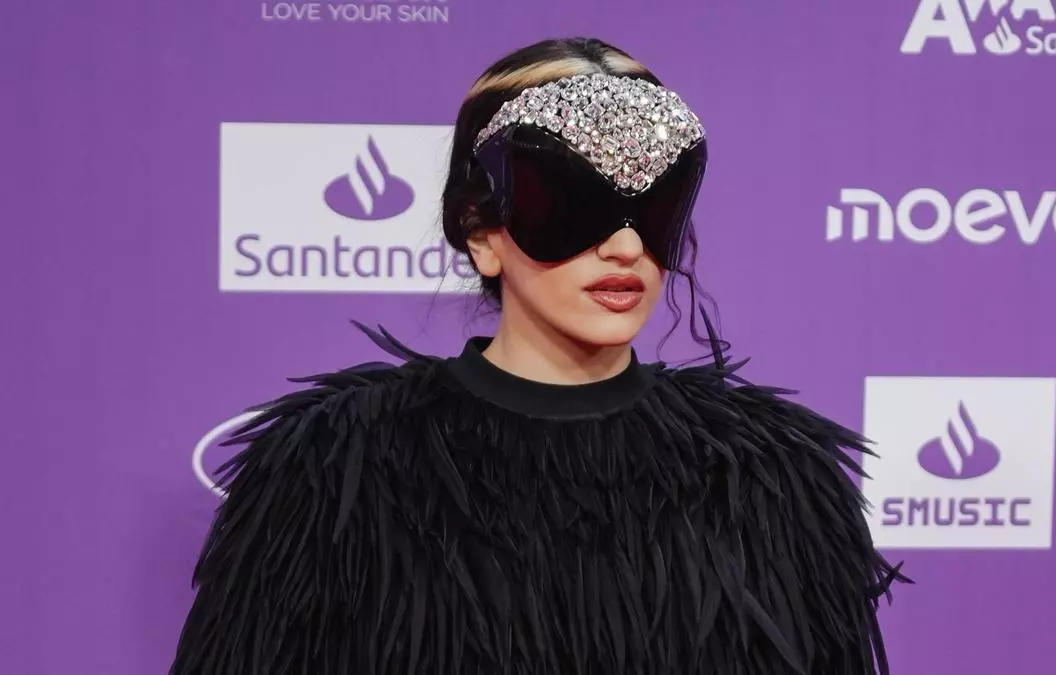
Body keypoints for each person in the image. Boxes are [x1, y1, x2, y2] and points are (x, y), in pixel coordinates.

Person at [169, 37, 909, 675]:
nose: (624, 246)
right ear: (481, 232)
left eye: (653, 205)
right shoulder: (333, 469)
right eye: (572, 202)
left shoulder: (774, 475)